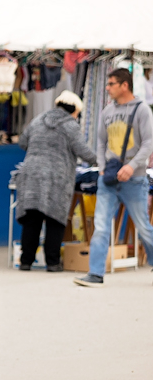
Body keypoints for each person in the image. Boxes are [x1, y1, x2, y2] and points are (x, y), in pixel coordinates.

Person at [74, 68, 153, 287]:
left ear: (124, 85)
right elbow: (100, 141)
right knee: (100, 225)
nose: (107, 88)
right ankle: (96, 273)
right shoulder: (107, 111)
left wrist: (132, 166)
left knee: (143, 227)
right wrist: (100, 166)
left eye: (111, 84)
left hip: (134, 179)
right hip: (108, 178)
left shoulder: (142, 110)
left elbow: (148, 143)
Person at [16, 91, 97, 271]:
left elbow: (22, 142)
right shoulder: (70, 125)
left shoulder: (37, 120)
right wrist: (99, 161)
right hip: (57, 177)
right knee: (55, 218)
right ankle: (52, 262)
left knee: (32, 219)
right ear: (74, 110)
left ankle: (25, 261)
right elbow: (83, 151)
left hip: (31, 175)